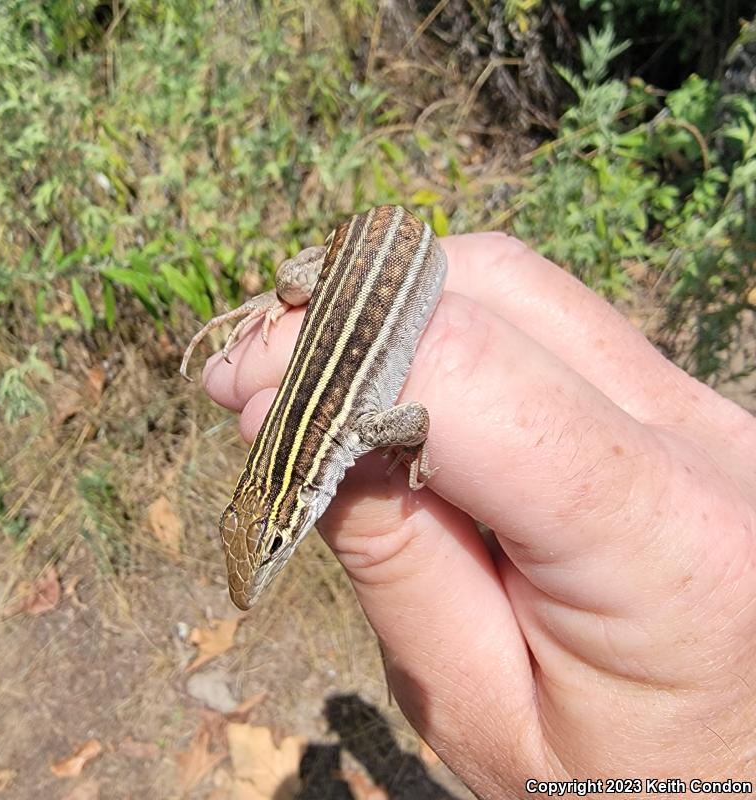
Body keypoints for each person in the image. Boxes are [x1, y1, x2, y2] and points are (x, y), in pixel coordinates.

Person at [202, 231, 756, 797]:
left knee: (296, 293)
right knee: (294, 288)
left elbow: (415, 418)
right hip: (375, 250)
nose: (253, 582)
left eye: (272, 547)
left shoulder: (352, 429)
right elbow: (405, 413)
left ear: (296, 506)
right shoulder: (319, 432)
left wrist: (413, 450)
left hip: (398, 251)